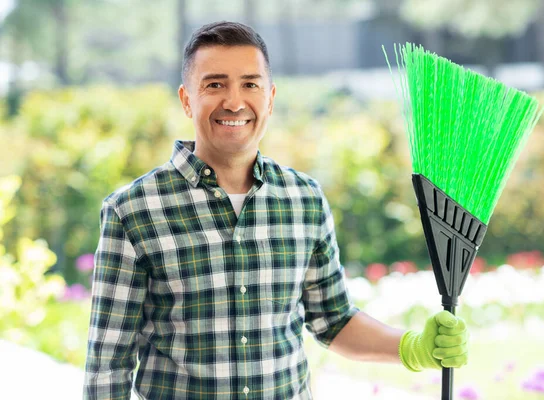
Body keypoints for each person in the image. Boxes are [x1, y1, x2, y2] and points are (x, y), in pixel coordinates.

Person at [83, 21, 469, 400]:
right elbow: (108, 365)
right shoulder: (132, 210)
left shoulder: (304, 199)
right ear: (187, 99)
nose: (234, 102)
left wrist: (413, 348)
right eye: (215, 84)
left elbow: (332, 320)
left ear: (270, 97)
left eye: (250, 84)